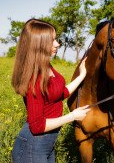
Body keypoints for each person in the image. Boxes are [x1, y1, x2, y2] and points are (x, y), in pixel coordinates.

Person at [11, 19, 90, 163]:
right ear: (38, 43)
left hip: (46, 144)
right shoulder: (33, 79)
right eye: (52, 40)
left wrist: (82, 75)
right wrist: (72, 116)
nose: (57, 44)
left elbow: (60, 94)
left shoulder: (47, 66)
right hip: (32, 146)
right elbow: (37, 126)